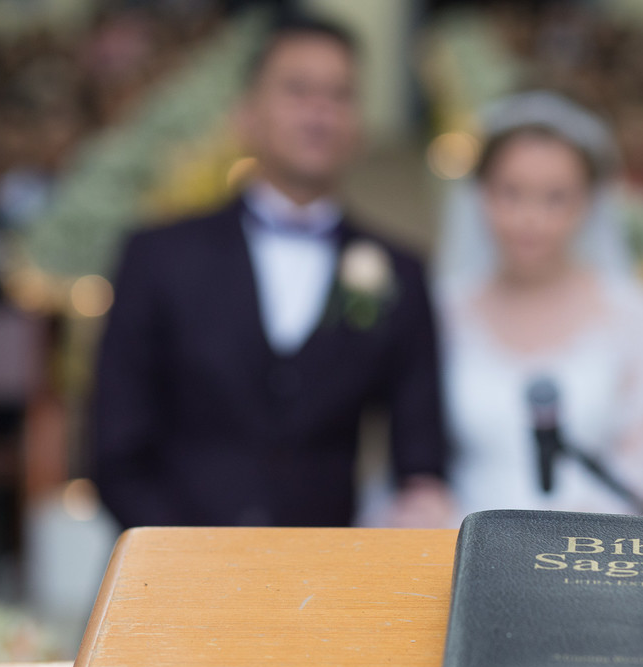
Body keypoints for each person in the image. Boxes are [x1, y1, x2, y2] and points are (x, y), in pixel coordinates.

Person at [91, 16, 449, 529]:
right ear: (246, 115)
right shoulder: (158, 257)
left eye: (340, 95)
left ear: (360, 126)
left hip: (323, 565)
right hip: (171, 561)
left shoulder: (401, 273)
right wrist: (185, 556)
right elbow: (115, 446)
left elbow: (419, 457)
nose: (320, 111)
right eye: (297, 90)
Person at [435, 92, 643, 520]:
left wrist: (557, 547)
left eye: (554, 198)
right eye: (511, 193)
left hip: (597, 543)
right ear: (480, 194)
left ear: (588, 202)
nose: (529, 217)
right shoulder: (443, 312)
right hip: (459, 540)